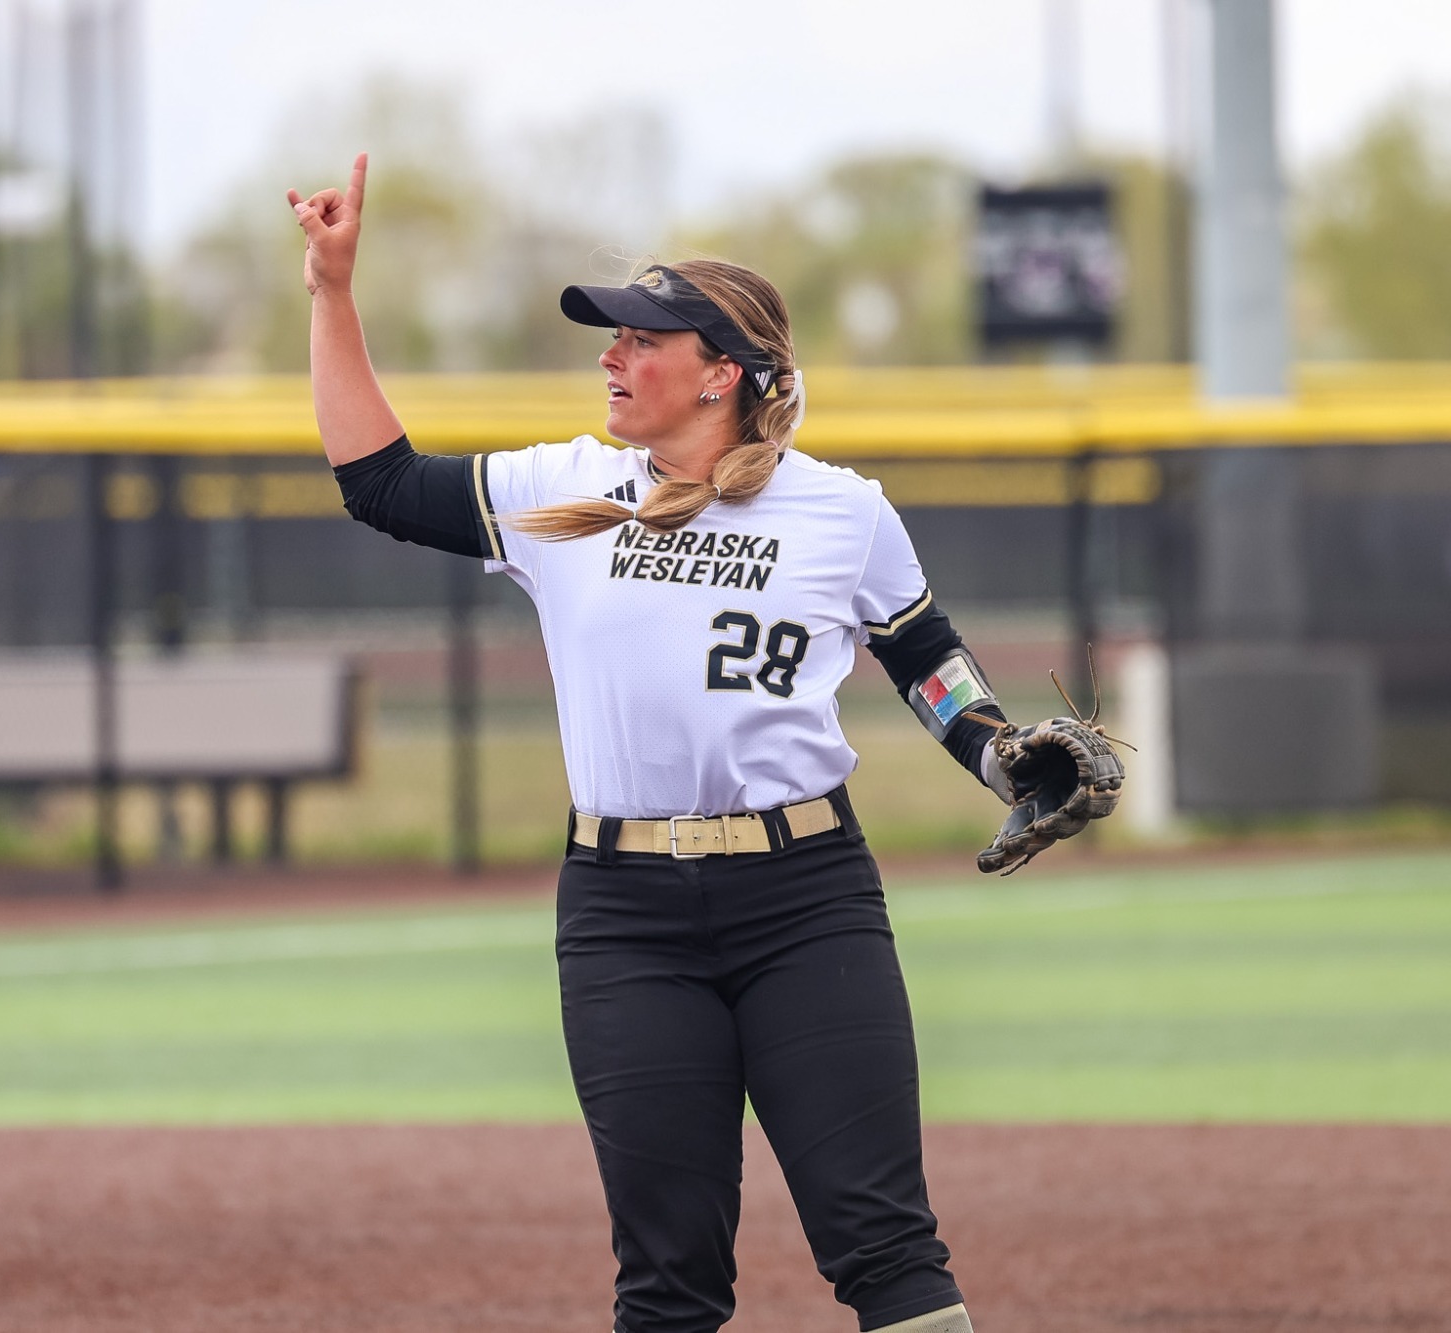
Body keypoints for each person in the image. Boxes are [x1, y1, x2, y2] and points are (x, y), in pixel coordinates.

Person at [292, 156, 1018, 1333]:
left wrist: (998, 754)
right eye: (611, 336)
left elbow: (925, 659)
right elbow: (377, 482)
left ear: (721, 373)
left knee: (882, 1244)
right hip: (623, 913)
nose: (610, 356)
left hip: (805, 899)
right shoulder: (567, 490)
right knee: (668, 1280)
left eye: (639, 339)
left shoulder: (841, 510)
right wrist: (331, 291)